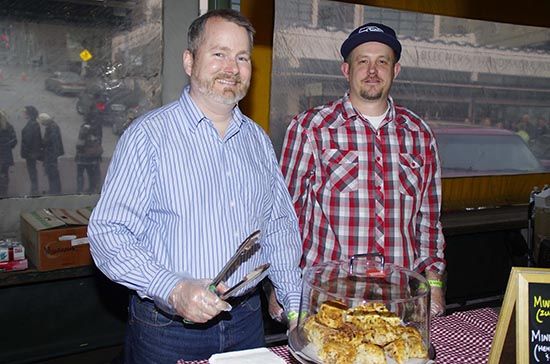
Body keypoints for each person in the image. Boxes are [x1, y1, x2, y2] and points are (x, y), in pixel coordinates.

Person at [87, 9, 302, 363]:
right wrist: (172, 288)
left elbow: (277, 225)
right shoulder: (148, 137)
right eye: (219, 53)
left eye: (242, 57)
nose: (232, 67)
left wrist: (293, 304)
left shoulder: (258, 141)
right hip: (168, 331)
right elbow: (108, 233)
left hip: (247, 320)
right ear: (189, 61)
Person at [279, 22, 446, 317]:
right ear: (346, 70)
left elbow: (429, 222)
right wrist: (282, 289)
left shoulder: (419, 134)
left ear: (395, 71)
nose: (372, 70)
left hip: (399, 305)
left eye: (382, 61)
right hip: (329, 303)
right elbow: (287, 217)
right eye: (363, 61)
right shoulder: (310, 128)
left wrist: (434, 285)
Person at [38, 113, 64, 194]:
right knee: (52, 172)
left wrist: (43, 142)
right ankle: (54, 189)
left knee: (52, 172)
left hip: (51, 154)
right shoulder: (52, 126)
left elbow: (51, 141)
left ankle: (54, 189)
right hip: (52, 153)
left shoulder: (51, 128)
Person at [75, 118, 102, 193]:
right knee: (91, 174)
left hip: (82, 158)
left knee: (80, 174)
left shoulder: (84, 130)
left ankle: (80, 190)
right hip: (91, 159)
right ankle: (91, 188)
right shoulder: (95, 131)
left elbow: (79, 145)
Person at [21, 105, 43, 195]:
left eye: (24, 112)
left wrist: (25, 152)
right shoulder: (34, 124)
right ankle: (34, 188)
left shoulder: (31, 125)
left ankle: (34, 189)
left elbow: (28, 141)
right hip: (33, 152)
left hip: (30, 153)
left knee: (32, 170)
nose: (23, 114)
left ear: (29, 114)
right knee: (32, 170)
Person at [0, 110, 17, 196]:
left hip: (3, 155)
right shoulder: (9, 126)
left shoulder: (8, 127)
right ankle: (3, 192)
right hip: (6, 155)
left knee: (3, 174)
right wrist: (6, 146)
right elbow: (14, 141)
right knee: (4, 174)